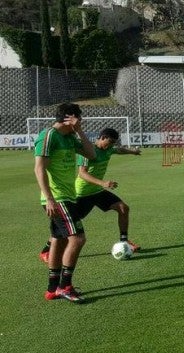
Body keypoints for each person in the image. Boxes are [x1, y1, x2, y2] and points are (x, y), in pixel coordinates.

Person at [38, 128, 142, 263]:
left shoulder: (108, 149)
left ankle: (124, 241)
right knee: (65, 227)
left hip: (97, 191)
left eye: (113, 143)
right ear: (103, 137)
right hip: (82, 194)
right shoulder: (87, 151)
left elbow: (119, 150)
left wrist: (133, 152)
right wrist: (103, 183)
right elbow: (82, 173)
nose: (111, 145)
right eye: (110, 142)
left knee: (123, 208)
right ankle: (46, 250)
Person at [34, 103, 96, 302]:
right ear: (70, 118)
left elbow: (91, 154)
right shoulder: (49, 135)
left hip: (67, 196)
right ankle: (65, 286)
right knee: (78, 239)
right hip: (57, 198)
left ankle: (52, 289)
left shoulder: (70, 137)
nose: (81, 122)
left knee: (59, 240)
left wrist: (79, 131)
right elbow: (39, 169)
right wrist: (50, 198)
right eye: (79, 119)